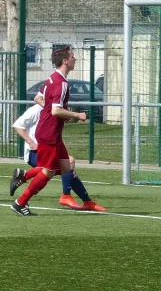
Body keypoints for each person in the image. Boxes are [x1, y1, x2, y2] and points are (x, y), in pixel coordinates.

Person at [10, 46, 107, 216]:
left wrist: (57, 112)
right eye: (72, 57)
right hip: (49, 133)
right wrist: (76, 114)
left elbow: (38, 98)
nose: (74, 60)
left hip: (51, 132)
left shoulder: (52, 78)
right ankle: (20, 202)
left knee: (66, 167)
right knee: (48, 171)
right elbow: (55, 110)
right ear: (65, 61)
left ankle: (81, 200)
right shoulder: (61, 83)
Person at [10, 102, 105, 211]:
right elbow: (18, 125)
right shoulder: (36, 109)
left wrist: (65, 117)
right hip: (34, 152)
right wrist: (30, 142)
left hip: (49, 147)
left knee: (68, 169)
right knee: (66, 166)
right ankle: (69, 196)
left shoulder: (52, 108)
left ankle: (86, 202)